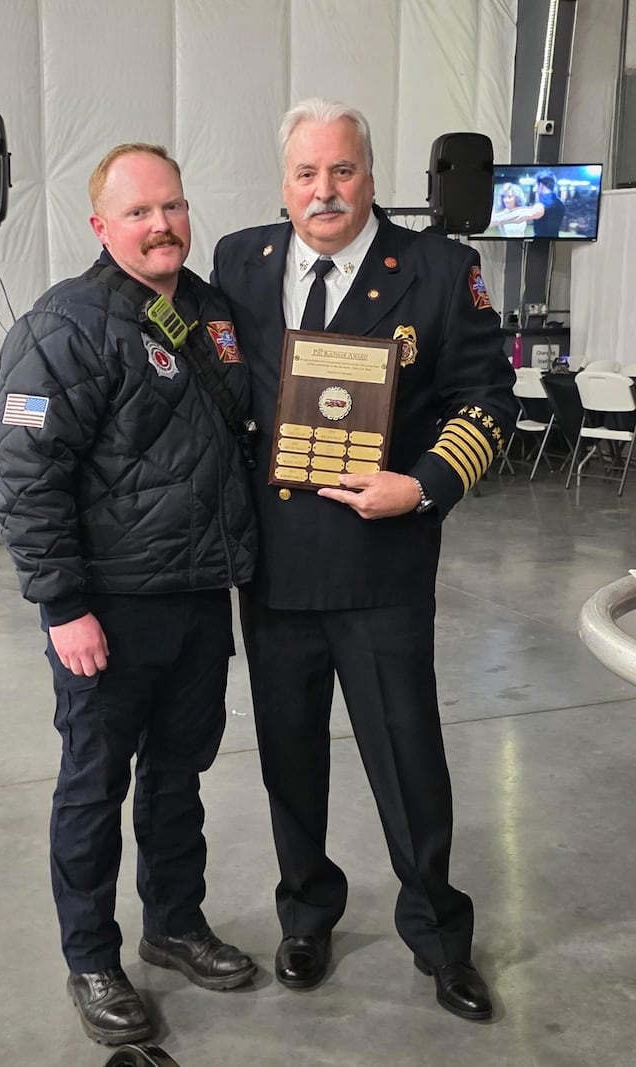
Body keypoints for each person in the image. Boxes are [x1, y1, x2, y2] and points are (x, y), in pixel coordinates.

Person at [211, 98, 517, 1021]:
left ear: (372, 176)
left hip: (381, 563)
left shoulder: (439, 270)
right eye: (306, 173)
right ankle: (305, 914)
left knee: (407, 758)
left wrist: (421, 485)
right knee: (289, 757)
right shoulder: (240, 261)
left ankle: (438, 935)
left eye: (342, 171)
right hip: (274, 567)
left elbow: (489, 402)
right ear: (284, 184)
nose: (325, 190)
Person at [0, 143, 259, 1048]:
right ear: (101, 227)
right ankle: (92, 956)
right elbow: (26, 477)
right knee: (94, 785)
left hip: (196, 599)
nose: (162, 225)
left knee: (179, 777)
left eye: (174, 207)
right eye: (140, 212)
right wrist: (63, 605)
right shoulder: (61, 325)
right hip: (106, 611)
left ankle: (175, 923)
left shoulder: (213, 313)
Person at [504, 170, 566, 237]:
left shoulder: (542, 205)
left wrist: (498, 220)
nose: (534, 189)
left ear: (541, 185)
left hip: (539, 242)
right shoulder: (560, 203)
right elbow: (530, 209)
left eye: (535, 185)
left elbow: (521, 216)